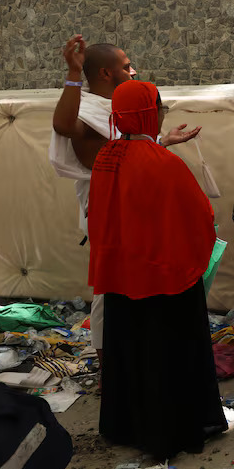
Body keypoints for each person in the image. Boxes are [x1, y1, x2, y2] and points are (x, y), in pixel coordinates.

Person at [88, 80, 226, 459]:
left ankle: (126, 426)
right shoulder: (165, 165)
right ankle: (172, 432)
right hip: (164, 280)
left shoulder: (106, 157)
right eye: (160, 110)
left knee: (130, 353)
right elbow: (200, 216)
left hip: (119, 276)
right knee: (166, 356)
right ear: (151, 113)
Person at [48, 35, 199, 369]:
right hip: (106, 209)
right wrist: (73, 74)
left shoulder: (118, 109)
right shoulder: (85, 109)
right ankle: (110, 368)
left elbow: (128, 152)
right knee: (109, 289)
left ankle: (138, 356)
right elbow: (63, 126)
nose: (133, 71)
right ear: (105, 73)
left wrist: (161, 142)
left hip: (134, 208)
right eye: (127, 66)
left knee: (136, 284)